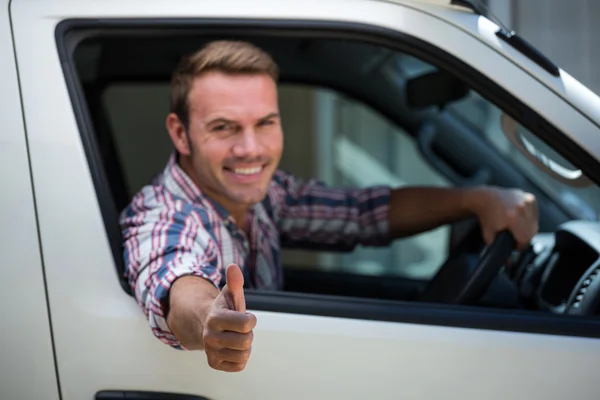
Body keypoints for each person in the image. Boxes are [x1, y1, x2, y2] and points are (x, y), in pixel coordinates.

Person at [119, 40, 538, 373]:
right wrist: (210, 318)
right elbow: (174, 274)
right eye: (224, 128)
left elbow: (361, 212)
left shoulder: (265, 194)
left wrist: (475, 199)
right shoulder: (161, 213)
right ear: (180, 133)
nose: (251, 149)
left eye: (265, 123)